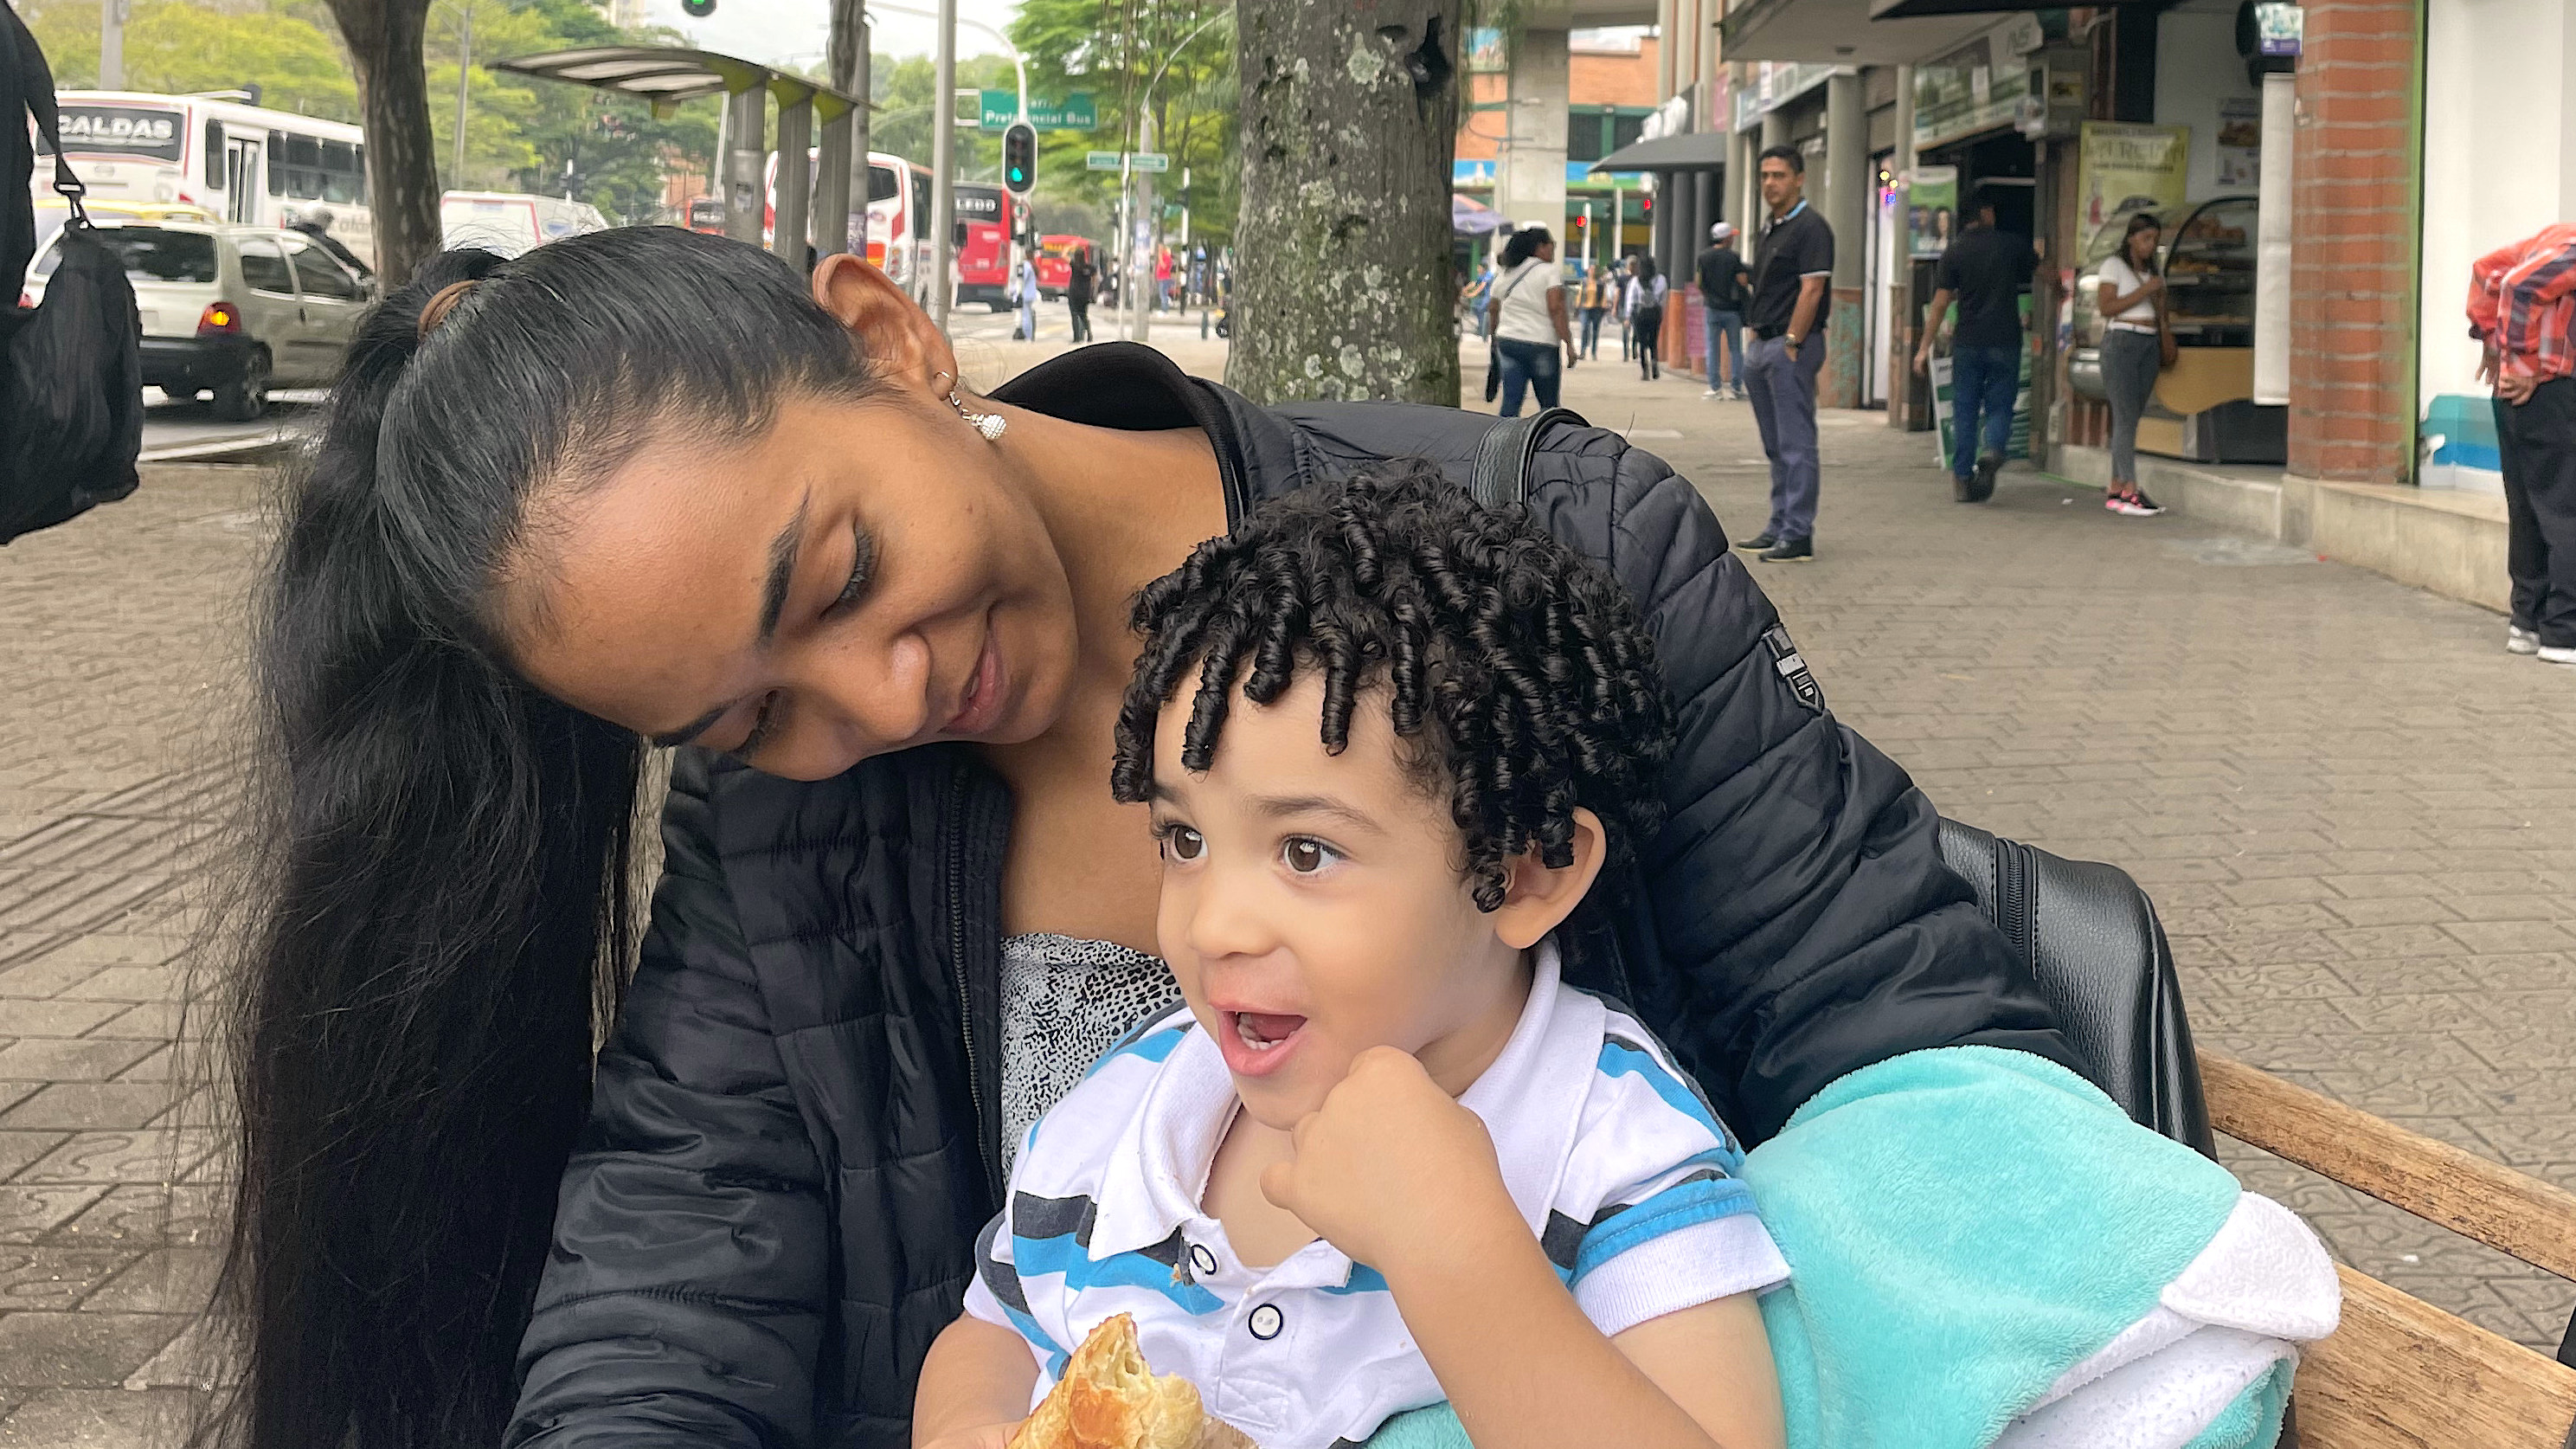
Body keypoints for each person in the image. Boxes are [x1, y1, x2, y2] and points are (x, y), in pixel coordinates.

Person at [216, 226, 2073, 1449]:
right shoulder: (791, 808)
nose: (876, 699)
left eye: (843, 575)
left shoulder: (1552, 556)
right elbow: (689, 1227)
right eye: (748, 713)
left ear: (885, 340)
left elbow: (1925, 1078)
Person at [916, 465, 1788, 1449]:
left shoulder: (1612, 1152)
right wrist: (965, 1426)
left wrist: (1453, 1251)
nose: (1213, 927)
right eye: (1184, 841)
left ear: (1522, 874)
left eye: (1305, 852)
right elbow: (993, 1332)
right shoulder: (1119, 1118)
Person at [2470, 222, 2576, 665]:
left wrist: (2494, 343)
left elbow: (2487, 270)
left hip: (2520, 395)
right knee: (2566, 509)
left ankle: (2527, 623)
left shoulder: (2556, 238)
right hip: (2549, 390)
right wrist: (2523, 360)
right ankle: (2565, 633)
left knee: (2531, 509)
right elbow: (2520, 284)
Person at [1737, 145, 1834, 564]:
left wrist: (1792, 341)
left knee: (1796, 445)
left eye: (1778, 175)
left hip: (1790, 347)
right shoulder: (1770, 228)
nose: (1770, 183)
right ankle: (1778, 525)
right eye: (1764, 176)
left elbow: (1812, 289)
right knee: (1775, 446)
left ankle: (1798, 534)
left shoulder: (1812, 228)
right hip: (1762, 346)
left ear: (1799, 179)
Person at [1913, 186, 2039, 504]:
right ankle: (1993, 447)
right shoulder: (2010, 244)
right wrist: (2061, 287)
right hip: (2005, 340)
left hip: (1968, 342)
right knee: (2001, 403)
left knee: (1965, 409)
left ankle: (1962, 478)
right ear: (1985, 213)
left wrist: (1923, 347)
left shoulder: (1954, 252)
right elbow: (2044, 271)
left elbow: (1940, 304)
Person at [2095, 213, 2169, 517]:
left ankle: (2116, 486)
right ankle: (2130, 489)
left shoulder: (2153, 271)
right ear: (2131, 239)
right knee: (2125, 417)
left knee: (2130, 418)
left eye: (2155, 240)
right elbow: (2106, 307)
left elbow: (2161, 309)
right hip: (2122, 341)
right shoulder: (2114, 266)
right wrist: (2144, 291)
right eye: (2145, 238)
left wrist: (2159, 298)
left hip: (2149, 342)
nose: (2150, 245)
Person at [1488, 226, 1575, 416]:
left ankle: (1505, 434)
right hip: (1541, 343)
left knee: (1511, 400)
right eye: (1552, 245)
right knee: (1548, 405)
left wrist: (1493, 336)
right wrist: (1568, 343)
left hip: (1508, 340)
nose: (1553, 249)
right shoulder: (1549, 272)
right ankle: (1550, 434)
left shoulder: (1506, 273)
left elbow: (1493, 308)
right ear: (1540, 247)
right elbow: (1556, 309)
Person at [1694, 222, 1751, 402]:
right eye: (1731, 236)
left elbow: (1698, 282)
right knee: (1735, 349)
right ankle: (1736, 388)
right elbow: (1742, 281)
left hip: (1712, 308)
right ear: (1726, 238)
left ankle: (1715, 388)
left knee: (1712, 349)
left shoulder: (1703, 257)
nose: (1733, 239)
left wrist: (1708, 295)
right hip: (1732, 310)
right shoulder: (1733, 257)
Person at [1626, 254, 1667, 382]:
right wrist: (1662, 312)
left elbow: (1631, 299)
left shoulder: (1636, 280)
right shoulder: (1661, 279)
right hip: (1655, 313)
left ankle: (1645, 370)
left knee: (1642, 342)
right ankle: (1655, 365)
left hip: (1640, 313)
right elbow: (1663, 299)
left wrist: (1627, 316)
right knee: (1653, 341)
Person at [1575, 259, 1610, 359]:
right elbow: (1580, 294)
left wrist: (1604, 305)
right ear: (1589, 271)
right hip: (1585, 308)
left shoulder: (1600, 283)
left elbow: (1604, 295)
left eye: (1594, 270)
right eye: (1591, 269)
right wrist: (1577, 306)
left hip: (1596, 309)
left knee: (1595, 330)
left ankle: (1594, 352)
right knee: (1584, 328)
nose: (1593, 271)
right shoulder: (1584, 282)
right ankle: (1583, 351)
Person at [1065, 244, 1095, 345]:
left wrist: (1069, 247)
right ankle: (1089, 334)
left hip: (1074, 293)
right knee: (1083, 315)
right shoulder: (1090, 267)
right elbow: (1094, 280)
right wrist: (1092, 291)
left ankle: (1076, 338)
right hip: (1085, 294)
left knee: (1074, 315)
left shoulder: (1074, 265)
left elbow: (1063, 256)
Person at [1013, 251, 1040, 343]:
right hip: (1031, 293)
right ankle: (1031, 335)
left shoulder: (1027, 265)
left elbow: (1023, 278)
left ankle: (1028, 335)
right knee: (1030, 314)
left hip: (1026, 293)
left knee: (1026, 316)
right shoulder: (1033, 265)